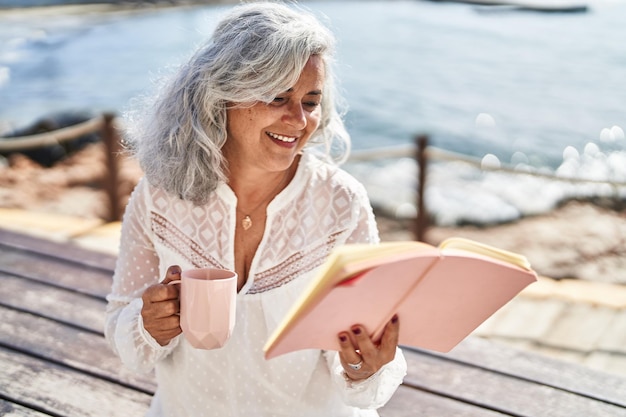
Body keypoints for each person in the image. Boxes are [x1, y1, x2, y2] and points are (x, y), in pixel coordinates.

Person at [105, 2, 407, 416]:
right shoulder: (158, 196)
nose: (298, 120)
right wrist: (147, 324)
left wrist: (363, 365)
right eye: (277, 96)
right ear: (221, 95)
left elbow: (357, 354)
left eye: (311, 101)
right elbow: (124, 328)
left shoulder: (341, 202)